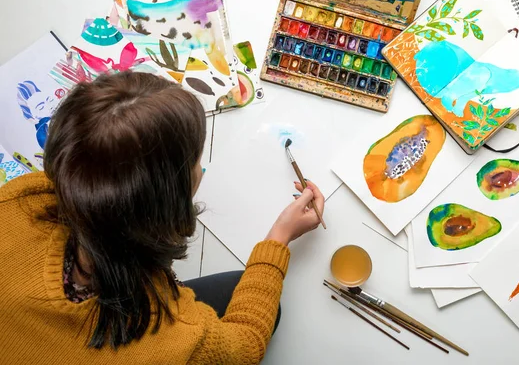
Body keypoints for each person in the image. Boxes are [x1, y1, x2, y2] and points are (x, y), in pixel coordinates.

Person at [0, 72, 325, 364]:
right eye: (196, 159)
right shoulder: (175, 339)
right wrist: (278, 238)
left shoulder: (15, 200)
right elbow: (244, 347)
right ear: (166, 201)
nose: (200, 167)